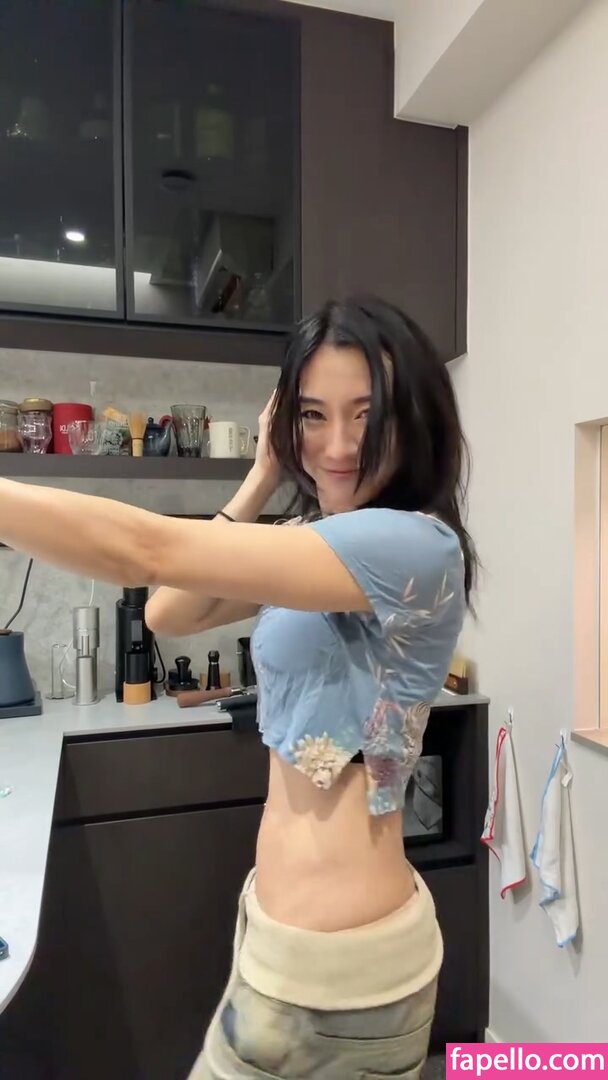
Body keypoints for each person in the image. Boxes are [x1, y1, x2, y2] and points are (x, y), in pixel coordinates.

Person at [0, 296, 477, 1079]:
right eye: (312, 416)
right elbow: (170, 611)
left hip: (338, 975)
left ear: (413, 416)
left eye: (367, 415)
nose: (339, 445)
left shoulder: (413, 545)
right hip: (281, 938)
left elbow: (144, 551)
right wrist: (260, 476)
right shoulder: (308, 541)